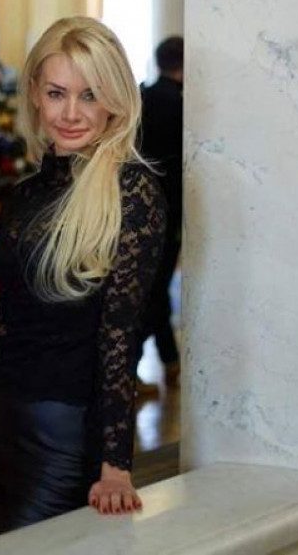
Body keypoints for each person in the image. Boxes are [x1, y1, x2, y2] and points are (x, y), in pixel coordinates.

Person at [0, 17, 167, 539]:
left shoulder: (131, 192)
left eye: (90, 95)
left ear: (115, 101)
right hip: (1, 422)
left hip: (63, 433)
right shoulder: (27, 194)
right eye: (57, 93)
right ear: (35, 97)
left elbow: (119, 336)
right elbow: (3, 327)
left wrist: (116, 464)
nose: (70, 113)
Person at [133, 36, 183, 393]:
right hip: (168, 212)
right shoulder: (181, 106)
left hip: (137, 208)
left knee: (151, 289)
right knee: (153, 292)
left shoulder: (141, 98)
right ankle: (129, 368)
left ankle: (169, 358)